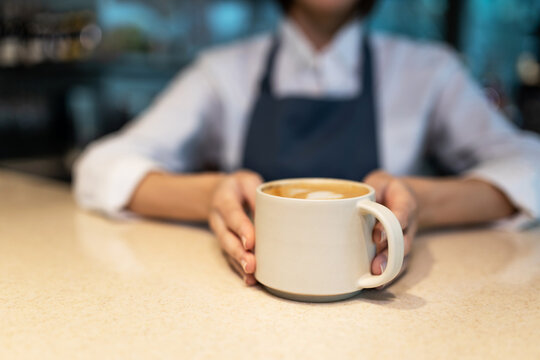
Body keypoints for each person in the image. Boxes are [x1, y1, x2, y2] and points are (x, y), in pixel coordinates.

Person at [74, 0, 540, 286]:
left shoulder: (429, 71)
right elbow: (99, 166)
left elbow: (530, 164)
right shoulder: (223, 72)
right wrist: (211, 197)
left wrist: (419, 202)